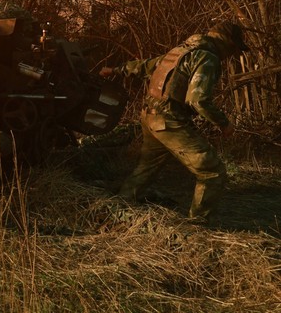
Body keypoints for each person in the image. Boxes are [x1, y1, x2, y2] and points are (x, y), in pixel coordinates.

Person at [99, 21, 250, 224]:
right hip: (168, 121)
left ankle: (123, 201)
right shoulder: (208, 57)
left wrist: (117, 70)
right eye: (233, 49)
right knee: (212, 171)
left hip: (149, 117)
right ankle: (199, 223)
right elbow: (198, 100)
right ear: (228, 43)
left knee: (148, 166)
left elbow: (147, 66)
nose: (231, 55)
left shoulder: (181, 50)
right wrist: (223, 123)